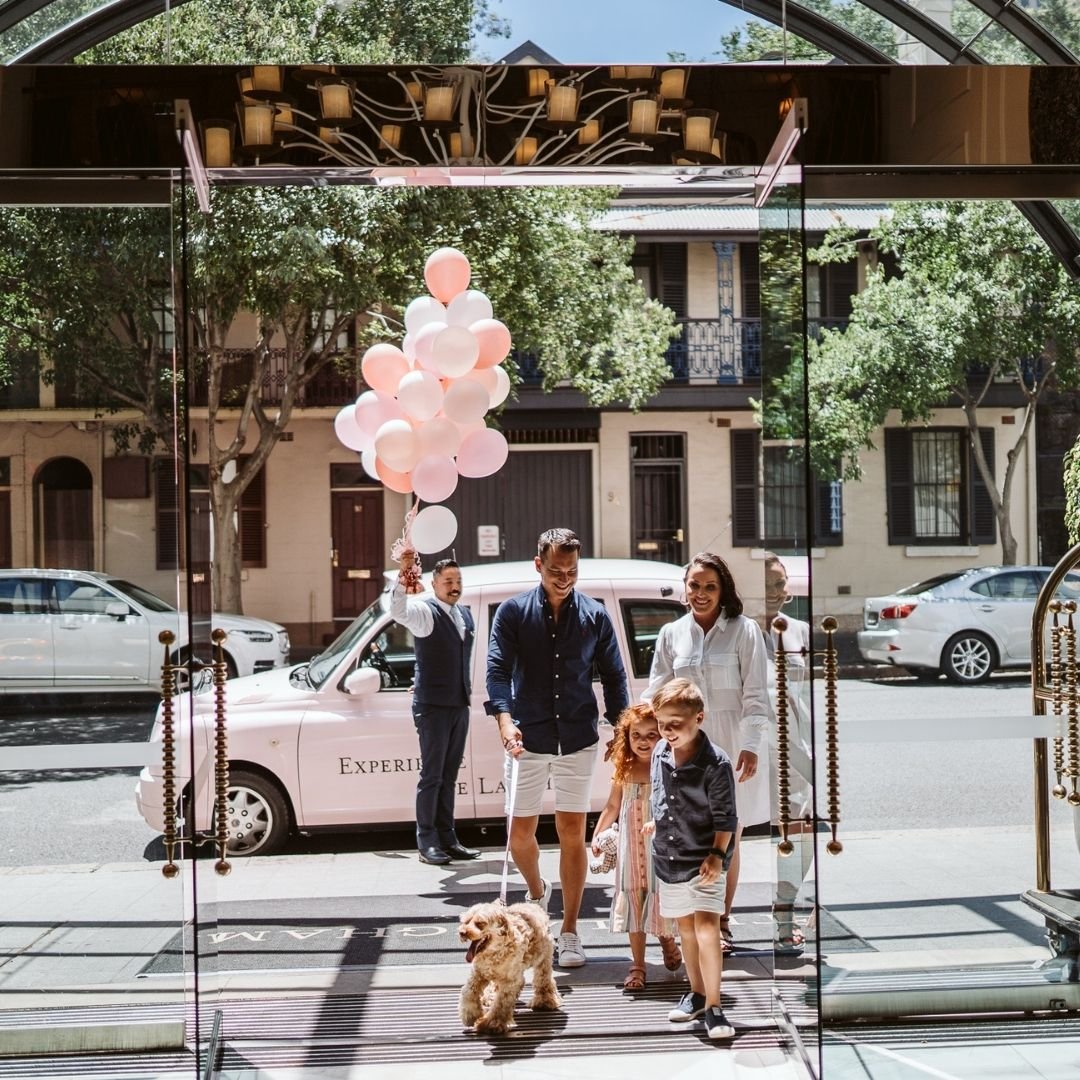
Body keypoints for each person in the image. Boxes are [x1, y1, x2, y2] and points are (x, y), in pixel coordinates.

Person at [486, 527, 629, 969]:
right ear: (538, 565)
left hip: (578, 739)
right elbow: (496, 671)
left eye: (571, 571)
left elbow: (615, 676)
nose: (564, 578)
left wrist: (621, 732)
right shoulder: (511, 612)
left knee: (572, 833)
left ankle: (568, 931)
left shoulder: (595, 615)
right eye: (555, 571)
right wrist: (505, 723)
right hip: (526, 738)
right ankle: (536, 895)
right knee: (518, 835)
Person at [643, 551, 769, 954]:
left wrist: (749, 746)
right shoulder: (671, 633)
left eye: (710, 586)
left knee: (725, 835)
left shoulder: (744, 630)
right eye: (694, 585)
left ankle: (722, 922)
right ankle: (690, 921)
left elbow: (756, 696)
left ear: (723, 590)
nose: (700, 593)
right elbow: (655, 693)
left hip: (728, 743)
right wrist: (637, 734)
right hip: (682, 748)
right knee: (683, 831)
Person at [648, 678, 738, 1040]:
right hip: (669, 856)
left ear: (698, 718)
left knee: (706, 928)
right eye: (661, 723)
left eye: (676, 723)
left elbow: (726, 817)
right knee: (684, 928)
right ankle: (697, 992)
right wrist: (656, 821)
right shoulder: (659, 752)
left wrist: (717, 854)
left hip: (704, 860)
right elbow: (661, 794)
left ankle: (715, 1005)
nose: (667, 731)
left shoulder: (715, 763)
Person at [391, 550, 481, 866]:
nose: (454, 586)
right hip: (432, 706)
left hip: (459, 703)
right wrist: (403, 579)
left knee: (450, 773)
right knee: (431, 775)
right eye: (448, 581)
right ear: (434, 583)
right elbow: (397, 611)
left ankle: (448, 838)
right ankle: (426, 841)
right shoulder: (424, 612)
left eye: (458, 580)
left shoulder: (466, 614)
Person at [591, 701, 681, 990]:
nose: (643, 742)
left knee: (660, 899)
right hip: (631, 850)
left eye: (651, 735)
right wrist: (597, 834)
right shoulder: (625, 769)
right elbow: (612, 805)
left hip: (661, 848)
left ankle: (667, 940)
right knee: (633, 900)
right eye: (636, 735)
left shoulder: (668, 765)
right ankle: (638, 965)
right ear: (626, 738)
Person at [763, 552, 813, 956]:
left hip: (793, 747)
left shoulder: (801, 631)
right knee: (730, 834)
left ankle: (785, 908)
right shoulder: (736, 631)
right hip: (747, 746)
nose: (780, 592)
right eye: (771, 585)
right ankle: (721, 920)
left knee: (803, 830)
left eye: (781, 583)